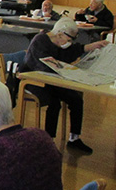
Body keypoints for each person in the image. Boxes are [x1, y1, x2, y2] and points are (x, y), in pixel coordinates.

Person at [19, 18, 107, 154]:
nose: (70, 42)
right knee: (54, 103)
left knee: (76, 99)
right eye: (69, 39)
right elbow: (41, 67)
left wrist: (89, 47)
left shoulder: (60, 42)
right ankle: (49, 142)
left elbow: (69, 53)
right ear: (60, 34)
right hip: (33, 80)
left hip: (53, 80)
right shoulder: (40, 41)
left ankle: (74, 138)